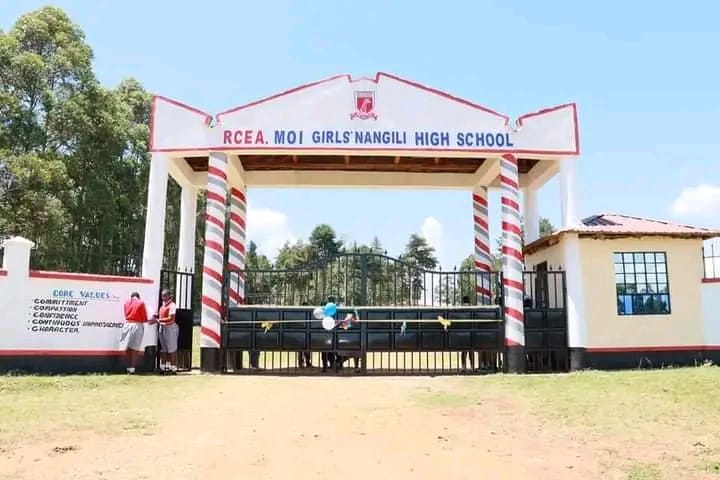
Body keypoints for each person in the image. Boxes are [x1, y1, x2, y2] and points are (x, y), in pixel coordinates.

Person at [121, 292, 149, 374]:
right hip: (137, 324)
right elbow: (144, 318)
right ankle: (132, 368)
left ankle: (128, 367)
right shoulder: (141, 302)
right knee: (135, 348)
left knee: (128, 347)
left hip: (127, 324)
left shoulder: (126, 302)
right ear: (138, 296)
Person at [156, 289, 179, 374]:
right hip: (162, 327)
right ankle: (165, 367)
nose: (163, 297)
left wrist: (158, 320)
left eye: (165, 295)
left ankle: (173, 368)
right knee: (164, 349)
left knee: (172, 349)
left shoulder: (172, 305)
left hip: (170, 328)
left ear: (169, 296)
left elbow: (171, 318)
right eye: (162, 295)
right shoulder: (162, 305)